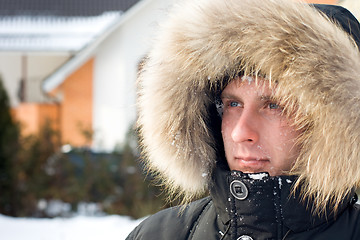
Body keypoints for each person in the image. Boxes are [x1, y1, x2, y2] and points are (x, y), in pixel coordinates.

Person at [127, 0, 360, 239]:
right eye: (233, 104)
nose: (241, 132)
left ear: (331, 126)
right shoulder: (157, 234)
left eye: (274, 106)